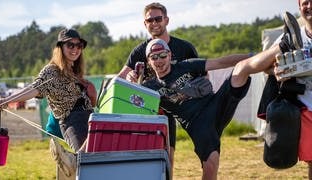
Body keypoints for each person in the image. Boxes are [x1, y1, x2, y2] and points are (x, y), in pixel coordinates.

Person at [140, 15, 297, 178]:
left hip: (215, 105)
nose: (159, 61)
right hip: (197, 124)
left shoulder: (185, 66)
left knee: (241, 69)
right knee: (211, 164)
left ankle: (284, 44)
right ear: (149, 61)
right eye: (154, 57)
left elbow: (222, 62)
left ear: (170, 55)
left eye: (163, 55)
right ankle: (275, 60)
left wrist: (254, 56)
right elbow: (131, 100)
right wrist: (134, 81)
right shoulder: (149, 87)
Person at [0, 28, 94, 178]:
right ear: (60, 48)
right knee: (87, 164)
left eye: (78, 46)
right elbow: (33, 89)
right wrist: (6, 101)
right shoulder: (52, 71)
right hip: (72, 120)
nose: (75, 49)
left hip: (89, 117)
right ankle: (71, 160)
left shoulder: (75, 71)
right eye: (70, 45)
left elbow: (90, 102)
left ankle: (72, 160)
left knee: (94, 159)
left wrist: (92, 95)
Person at [118, 2, 198, 175]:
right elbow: (120, 78)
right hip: (147, 108)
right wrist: (131, 78)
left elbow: (203, 77)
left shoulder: (185, 48)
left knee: (167, 159)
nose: (154, 23)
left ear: (166, 20)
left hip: (178, 108)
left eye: (158, 19)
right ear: (145, 24)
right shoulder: (139, 50)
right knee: (142, 158)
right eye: (149, 20)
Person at [259, 2, 312, 178]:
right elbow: (267, 65)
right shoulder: (288, 37)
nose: (309, 6)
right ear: (299, 6)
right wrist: (278, 70)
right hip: (307, 109)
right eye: (305, 3)